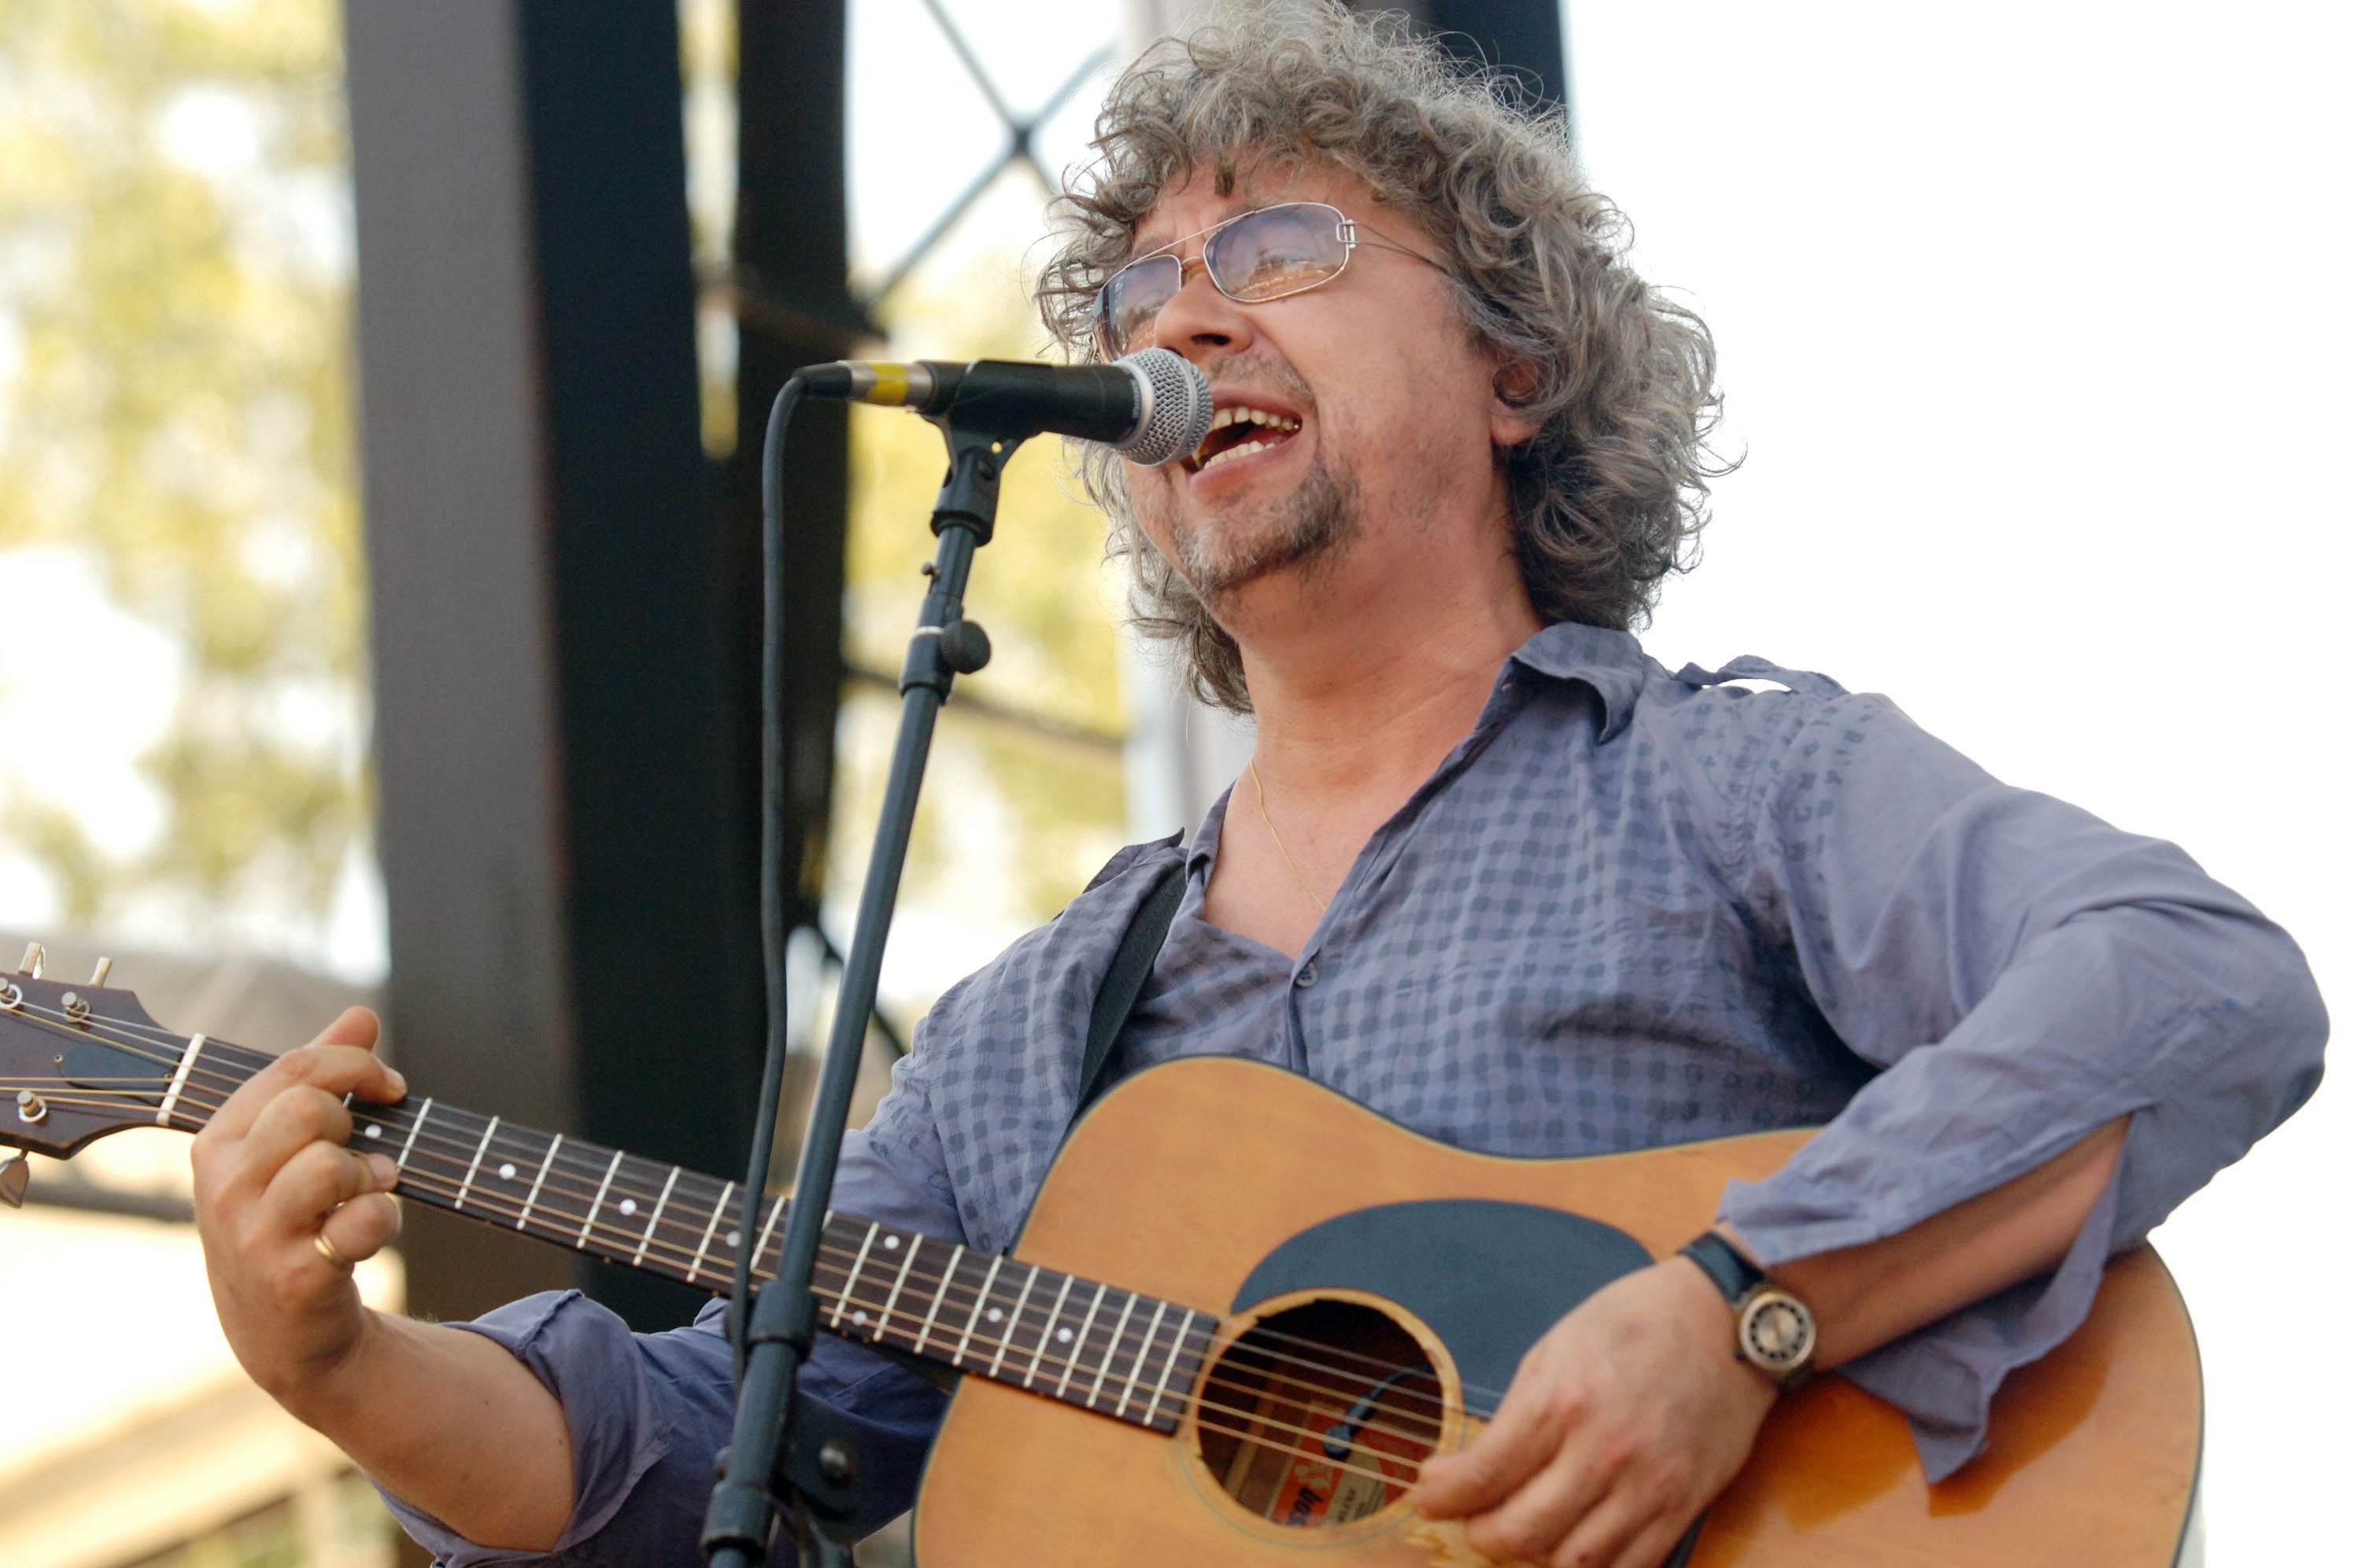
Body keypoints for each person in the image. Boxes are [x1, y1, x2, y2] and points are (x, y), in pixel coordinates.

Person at [190, 6, 2325, 1566]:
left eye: (1280, 249)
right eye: (1143, 289)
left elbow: (2194, 980)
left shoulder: (1727, 787)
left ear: (1516, 364)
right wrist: (351, 1373)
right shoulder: (1049, 1020)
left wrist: (1738, 1313)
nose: (1186, 314)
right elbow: (721, 1437)